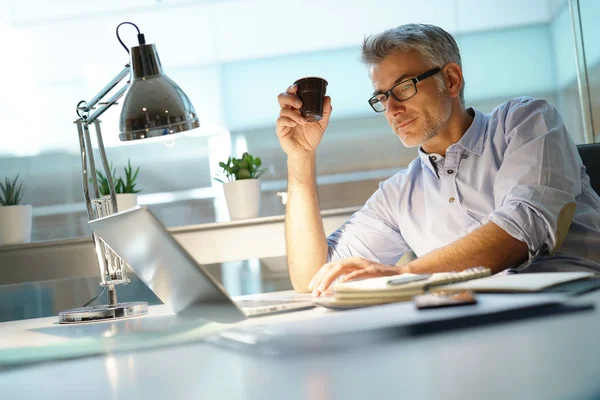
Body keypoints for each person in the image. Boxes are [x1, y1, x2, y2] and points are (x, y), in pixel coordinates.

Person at [275, 23, 600, 297]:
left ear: (452, 80)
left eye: (403, 87)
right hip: (478, 328)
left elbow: (518, 231)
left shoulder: (525, 122)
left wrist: (405, 273)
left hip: (578, 305)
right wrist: (300, 158)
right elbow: (312, 278)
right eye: (382, 96)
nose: (392, 109)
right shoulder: (399, 194)